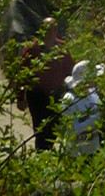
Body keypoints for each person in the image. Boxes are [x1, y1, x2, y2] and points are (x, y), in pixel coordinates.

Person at [16, 17, 75, 151]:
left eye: (53, 29)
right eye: (47, 29)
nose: (50, 32)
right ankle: (41, 153)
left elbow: (70, 70)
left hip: (56, 95)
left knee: (53, 127)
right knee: (40, 129)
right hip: (37, 96)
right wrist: (20, 96)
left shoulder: (61, 48)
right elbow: (22, 73)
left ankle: (45, 152)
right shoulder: (33, 49)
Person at [60, 60, 104, 156]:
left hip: (93, 148)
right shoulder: (69, 100)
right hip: (76, 153)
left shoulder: (92, 93)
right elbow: (72, 129)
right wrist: (95, 119)